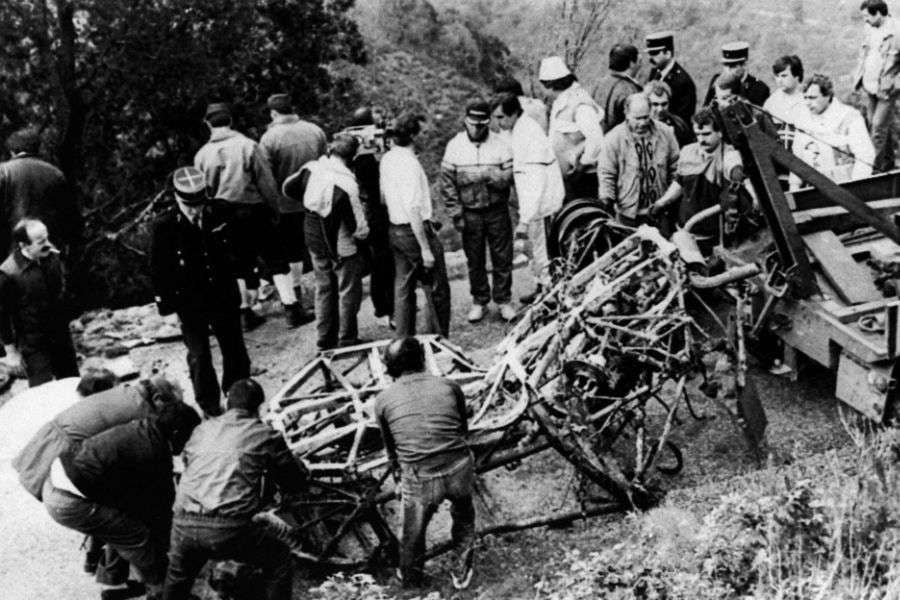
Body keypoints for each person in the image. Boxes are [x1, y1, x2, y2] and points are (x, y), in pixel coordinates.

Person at [163, 378, 308, 600]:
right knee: (279, 560)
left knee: (178, 577)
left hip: (183, 521)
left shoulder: (202, 429)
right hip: (228, 529)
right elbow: (293, 481)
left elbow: (189, 465)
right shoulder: (264, 434)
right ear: (258, 407)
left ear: (226, 402)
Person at [44, 401, 200, 600]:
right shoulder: (154, 451)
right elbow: (161, 510)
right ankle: (161, 591)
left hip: (60, 481)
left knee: (122, 523)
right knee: (138, 537)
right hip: (69, 499)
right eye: (189, 437)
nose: (188, 444)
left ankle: (114, 583)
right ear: (177, 433)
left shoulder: (143, 429)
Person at [374, 337, 475, 589]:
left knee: (412, 533)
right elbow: (462, 429)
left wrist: (400, 479)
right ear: (422, 360)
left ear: (391, 368)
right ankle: (461, 572)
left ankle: (411, 581)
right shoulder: (450, 386)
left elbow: (392, 451)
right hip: (459, 467)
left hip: (420, 477)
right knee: (463, 514)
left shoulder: (383, 400)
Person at [150, 167, 251, 416]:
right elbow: (159, 269)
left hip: (223, 292)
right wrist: (167, 308)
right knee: (199, 356)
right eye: (189, 205)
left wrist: (250, 281)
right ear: (176, 198)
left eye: (199, 203)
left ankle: (238, 398)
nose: (195, 210)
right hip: (189, 300)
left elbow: (241, 249)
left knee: (235, 348)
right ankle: (209, 406)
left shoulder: (222, 211)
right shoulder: (164, 226)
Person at [193, 102, 303, 330]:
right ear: (230, 121)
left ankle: (245, 314)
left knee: (238, 264)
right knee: (276, 260)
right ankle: (291, 308)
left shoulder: (202, 155)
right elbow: (266, 182)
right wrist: (274, 209)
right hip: (255, 210)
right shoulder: (248, 145)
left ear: (207, 124)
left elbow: (204, 192)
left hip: (223, 214)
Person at [283, 135, 368, 350]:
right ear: (353, 156)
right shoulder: (348, 184)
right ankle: (346, 337)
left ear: (332, 150)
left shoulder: (312, 168)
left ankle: (324, 338)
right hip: (340, 238)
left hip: (313, 232)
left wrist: (309, 203)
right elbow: (360, 228)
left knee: (324, 287)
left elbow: (288, 187)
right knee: (347, 288)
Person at [441, 100, 515, 323]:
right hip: (469, 212)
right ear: (466, 122)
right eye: (474, 124)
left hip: (497, 210)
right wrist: (456, 214)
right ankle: (479, 300)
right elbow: (447, 184)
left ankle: (503, 300)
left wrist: (487, 176)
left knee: (502, 256)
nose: (478, 129)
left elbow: (509, 177)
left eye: (483, 124)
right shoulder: (454, 146)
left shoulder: (501, 144)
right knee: (475, 258)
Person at [380, 114, 451, 337]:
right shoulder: (409, 164)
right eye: (421, 133)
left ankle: (403, 339)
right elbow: (413, 209)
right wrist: (425, 248)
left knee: (403, 288)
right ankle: (439, 339)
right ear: (412, 135)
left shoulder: (388, 158)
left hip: (395, 228)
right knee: (437, 288)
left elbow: (383, 197)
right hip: (413, 231)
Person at [258, 92, 326, 324]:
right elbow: (325, 163)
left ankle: (294, 294)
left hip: (285, 204)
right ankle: (320, 296)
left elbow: (265, 176)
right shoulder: (315, 131)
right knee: (317, 248)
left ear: (273, 113)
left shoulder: (268, 139)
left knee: (291, 250)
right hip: (315, 200)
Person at [491, 93, 565, 304]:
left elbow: (535, 181)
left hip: (541, 203)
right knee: (535, 249)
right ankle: (542, 287)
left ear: (514, 113)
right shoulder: (517, 129)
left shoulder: (529, 134)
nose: (498, 122)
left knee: (542, 251)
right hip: (532, 203)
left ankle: (551, 294)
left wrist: (525, 219)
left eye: (501, 117)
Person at [0, 218, 78, 386]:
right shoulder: (9, 273)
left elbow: (61, 294)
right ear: (23, 245)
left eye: (47, 238)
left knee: (72, 385)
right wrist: (11, 352)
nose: (48, 244)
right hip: (33, 343)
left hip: (60, 335)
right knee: (42, 393)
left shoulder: (53, 258)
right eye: (41, 241)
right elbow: (3, 315)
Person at [653, 108, 747, 248]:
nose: (701, 140)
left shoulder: (728, 155)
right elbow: (680, 183)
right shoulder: (688, 151)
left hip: (711, 238)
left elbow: (735, 171)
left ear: (720, 132)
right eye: (698, 134)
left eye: (707, 134)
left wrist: (737, 174)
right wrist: (662, 203)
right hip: (683, 231)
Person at [341, 107, 394, 322]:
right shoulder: (367, 155)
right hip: (376, 210)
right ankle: (388, 307)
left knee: (378, 261)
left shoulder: (351, 151)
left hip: (368, 209)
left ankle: (382, 305)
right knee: (384, 260)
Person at [598, 94, 679, 231]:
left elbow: (676, 166)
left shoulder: (665, 133)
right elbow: (607, 173)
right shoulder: (614, 138)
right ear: (627, 114)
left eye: (646, 117)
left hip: (660, 212)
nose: (642, 123)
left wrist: (668, 200)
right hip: (628, 215)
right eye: (637, 118)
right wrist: (607, 201)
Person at [0, 127, 81, 256]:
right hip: (46, 250)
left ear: (12, 151)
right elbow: (69, 217)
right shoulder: (55, 174)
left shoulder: (3, 172)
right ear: (37, 149)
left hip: (9, 253)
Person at [791, 74, 875, 188]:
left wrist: (857, 187)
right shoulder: (803, 120)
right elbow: (797, 160)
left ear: (827, 95)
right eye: (805, 98)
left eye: (812, 98)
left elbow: (865, 155)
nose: (808, 103)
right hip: (814, 190)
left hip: (847, 187)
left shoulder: (849, 117)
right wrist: (794, 188)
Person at [539, 56, 605, 201]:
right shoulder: (561, 102)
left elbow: (596, 140)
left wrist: (581, 167)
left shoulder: (579, 103)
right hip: (568, 178)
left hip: (583, 178)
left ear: (550, 84)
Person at [853, 0, 900, 173]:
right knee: (874, 125)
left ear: (878, 13)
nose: (865, 20)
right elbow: (863, 56)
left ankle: (873, 171)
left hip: (887, 90)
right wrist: (857, 81)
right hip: (868, 86)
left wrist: (894, 84)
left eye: (867, 16)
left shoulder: (897, 32)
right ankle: (888, 163)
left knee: (877, 129)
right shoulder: (868, 30)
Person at [646, 31, 697, 124]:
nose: (650, 57)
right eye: (649, 53)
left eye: (654, 53)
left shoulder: (682, 82)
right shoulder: (655, 72)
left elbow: (682, 120)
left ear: (668, 53)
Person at [593, 44, 644, 133]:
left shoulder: (599, 84)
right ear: (632, 63)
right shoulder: (631, 90)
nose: (640, 65)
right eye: (639, 61)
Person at [703, 42, 770, 107]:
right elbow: (705, 107)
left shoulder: (759, 88)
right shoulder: (717, 79)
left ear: (744, 65)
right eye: (725, 65)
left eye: (732, 66)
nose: (728, 70)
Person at [763, 55, 808, 148]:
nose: (779, 80)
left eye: (784, 76)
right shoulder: (771, 103)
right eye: (777, 76)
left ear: (796, 76)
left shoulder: (806, 101)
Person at [645, 81, 695, 147]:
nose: (660, 109)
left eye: (664, 104)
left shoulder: (679, 125)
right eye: (655, 104)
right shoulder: (639, 125)